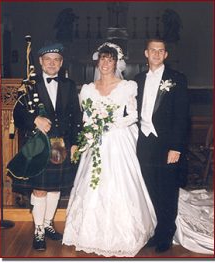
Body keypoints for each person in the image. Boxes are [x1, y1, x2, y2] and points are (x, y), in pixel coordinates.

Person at [62, 42, 157, 257]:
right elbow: (85, 117)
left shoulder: (127, 87)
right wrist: (89, 132)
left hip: (119, 138)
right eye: (102, 59)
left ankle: (125, 232)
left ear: (117, 63)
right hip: (95, 141)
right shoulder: (87, 89)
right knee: (92, 182)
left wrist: (112, 124)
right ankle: (88, 232)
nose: (106, 63)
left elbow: (133, 115)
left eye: (110, 59)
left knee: (120, 182)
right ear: (97, 62)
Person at [12, 43, 82, 251]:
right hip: (38, 144)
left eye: (56, 60)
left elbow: (76, 115)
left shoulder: (69, 85)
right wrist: (35, 120)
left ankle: (49, 223)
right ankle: (38, 230)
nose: (52, 63)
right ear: (41, 62)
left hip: (60, 143)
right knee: (40, 189)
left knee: (55, 188)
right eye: (48, 59)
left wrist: (76, 142)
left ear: (61, 63)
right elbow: (18, 113)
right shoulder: (28, 85)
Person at [134, 38, 189, 253]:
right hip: (144, 142)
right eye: (152, 50)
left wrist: (176, 147)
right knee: (150, 189)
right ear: (146, 53)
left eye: (161, 51)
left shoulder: (177, 79)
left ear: (166, 55)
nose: (156, 54)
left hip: (167, 145)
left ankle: (166, 233)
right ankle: (157, 231)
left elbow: (182, 117)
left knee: (167, 190)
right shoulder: (137, 79)